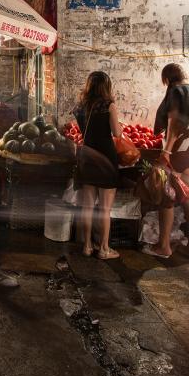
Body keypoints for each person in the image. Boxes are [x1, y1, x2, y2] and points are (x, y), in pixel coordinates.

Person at [147, 63, 189, 261]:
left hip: (178, 152)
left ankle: (164, 247)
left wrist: (166, 151)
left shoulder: (175, 93)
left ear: (166, 79)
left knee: (167, 199)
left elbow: (173, 124)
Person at [71, 71, 123, 260]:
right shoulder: (109, 106)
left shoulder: (79, 106)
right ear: (106, 86)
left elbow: (84, 130)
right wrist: (121, 127)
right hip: (106, 158)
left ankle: (86, 246)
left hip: (87, 156)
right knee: (105, 209)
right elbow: (117, 133)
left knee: (87, 207)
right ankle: (103, 249)